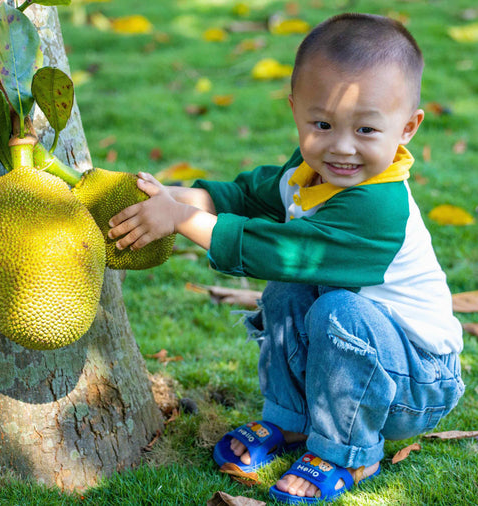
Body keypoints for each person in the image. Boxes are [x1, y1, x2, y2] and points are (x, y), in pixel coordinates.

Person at [107, 13, 465, 504]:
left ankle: (349, 452)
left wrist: (181, 221)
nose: (341, 147)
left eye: (365, 129)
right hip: (364, 358)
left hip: (416, 381)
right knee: (292, 291)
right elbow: (250, 199)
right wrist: (176, 197)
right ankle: (292, 422)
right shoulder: (311, 170)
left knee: (340, 309)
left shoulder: (378, 208)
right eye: (322, 124)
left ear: (407, 127)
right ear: (296, 110)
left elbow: (284, 251)